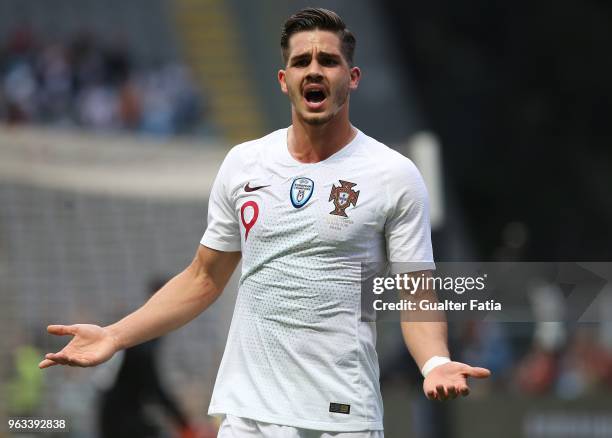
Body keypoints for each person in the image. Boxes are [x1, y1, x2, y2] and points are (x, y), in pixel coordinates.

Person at [39, 8, 490, 437]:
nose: (314, 69)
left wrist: (434, 362)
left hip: (341, 412)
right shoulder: (244, 163)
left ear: (351, 79)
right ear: (284, 80)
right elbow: (202, 278)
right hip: (248, 411)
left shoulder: (393, 174)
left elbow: (416, 292)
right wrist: (114, 335)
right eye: (301, 61)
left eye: (328, 60)